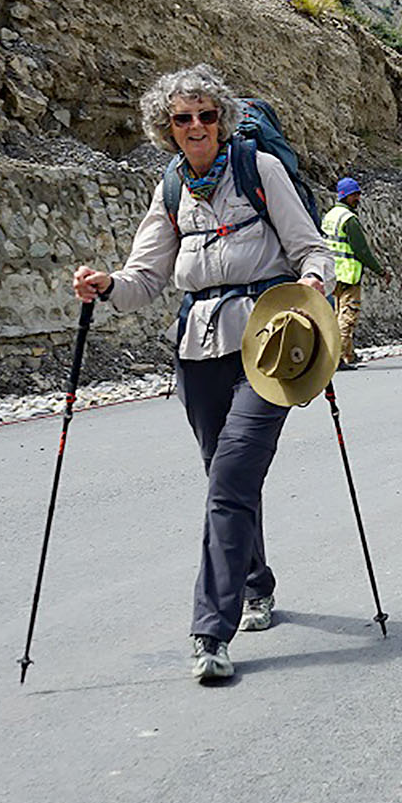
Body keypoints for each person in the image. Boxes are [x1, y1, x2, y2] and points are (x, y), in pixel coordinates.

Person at [70, 65, 333, 684]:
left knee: (231, 478)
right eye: (182, 118)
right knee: (226, 478)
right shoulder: (170, 189)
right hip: (196, 351)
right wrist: (105, 285)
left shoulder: (258, 170)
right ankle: (257, 584)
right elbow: (145, 279)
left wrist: (314, 285)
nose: (195, 127)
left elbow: (311, 248)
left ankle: (210, 632)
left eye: (206, 116)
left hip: (266, 347)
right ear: (166, 127)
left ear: (223, 119)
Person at [319, 176, 387, 365]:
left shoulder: (330, 216)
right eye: (354, 195)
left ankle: (349, 355)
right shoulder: (349, 220)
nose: (358, 198)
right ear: (345, 196)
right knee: (347, 318)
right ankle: (338, 358)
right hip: (348, 275)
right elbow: (362, 250)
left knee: (336, 316)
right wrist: (381, 271)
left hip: (332, 274)